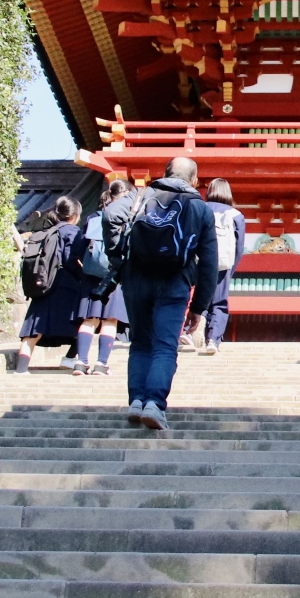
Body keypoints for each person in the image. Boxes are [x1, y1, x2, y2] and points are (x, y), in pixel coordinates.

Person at [101, 156, 218, 430]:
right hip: (175, 282)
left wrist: (119, 258)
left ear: (164, 173)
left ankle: (136, 401)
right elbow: (210, 262)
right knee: (165, 346)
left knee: (140, 343)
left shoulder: (141, 195)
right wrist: (199, 307)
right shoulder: (200, 209)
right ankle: (154, 404)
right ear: (194, 181)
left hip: (137, 279)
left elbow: (109, 215)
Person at [16, 196, 87, 373]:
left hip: (44, 283)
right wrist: (82, 276)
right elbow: (71, 259)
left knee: (33, 330)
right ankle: (70, 358)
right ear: (75, 215)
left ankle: (21, 368)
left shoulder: (46, 231)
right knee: (83, 322)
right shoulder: (72, 232)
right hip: (66, 285)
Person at [71, 178, 131, 376]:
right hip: (116, 276)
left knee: (89, 320)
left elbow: (78, 249)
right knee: (110, 321)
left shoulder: (94, 217)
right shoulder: (127, 218)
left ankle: (80, 362)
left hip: (91, 276)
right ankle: (101, 364)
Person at [187, 177, 246, 357]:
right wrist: (230, 269)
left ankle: (187, 332)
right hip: (221, 263)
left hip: (196, 261)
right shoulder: (236, 215)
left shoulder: (198, 209)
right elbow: (239, 247)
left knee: (192, 297)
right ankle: (213, 340)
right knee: (219, 303)